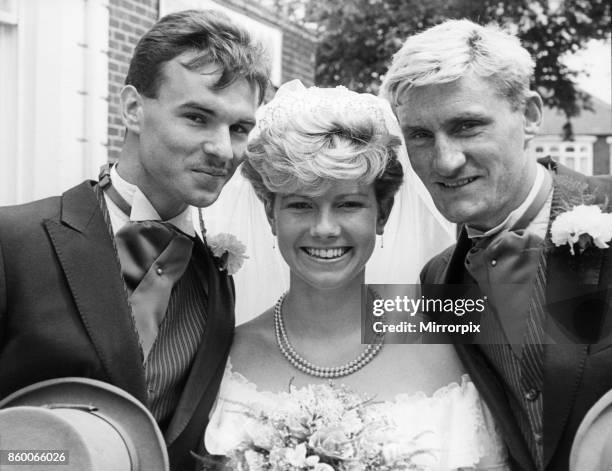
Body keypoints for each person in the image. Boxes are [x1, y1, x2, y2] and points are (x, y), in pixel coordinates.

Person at [0, 9, 268, 470]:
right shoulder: (13, 241)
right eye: (198, 117)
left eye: (239, 128)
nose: (224, 149)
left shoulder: (218, 278)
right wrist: (42, 454)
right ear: (132, 108)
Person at [202, 80, 510, 470]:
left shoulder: (451, 348)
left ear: (381, 215)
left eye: (348, 204)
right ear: (270, 215)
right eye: (301, 205)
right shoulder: (220, 355)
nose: (325, 228)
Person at [381, 18, 612, 471]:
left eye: (467, 126)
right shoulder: (436, 283)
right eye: (420, 136)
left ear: (528, 115)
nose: (444, 161)